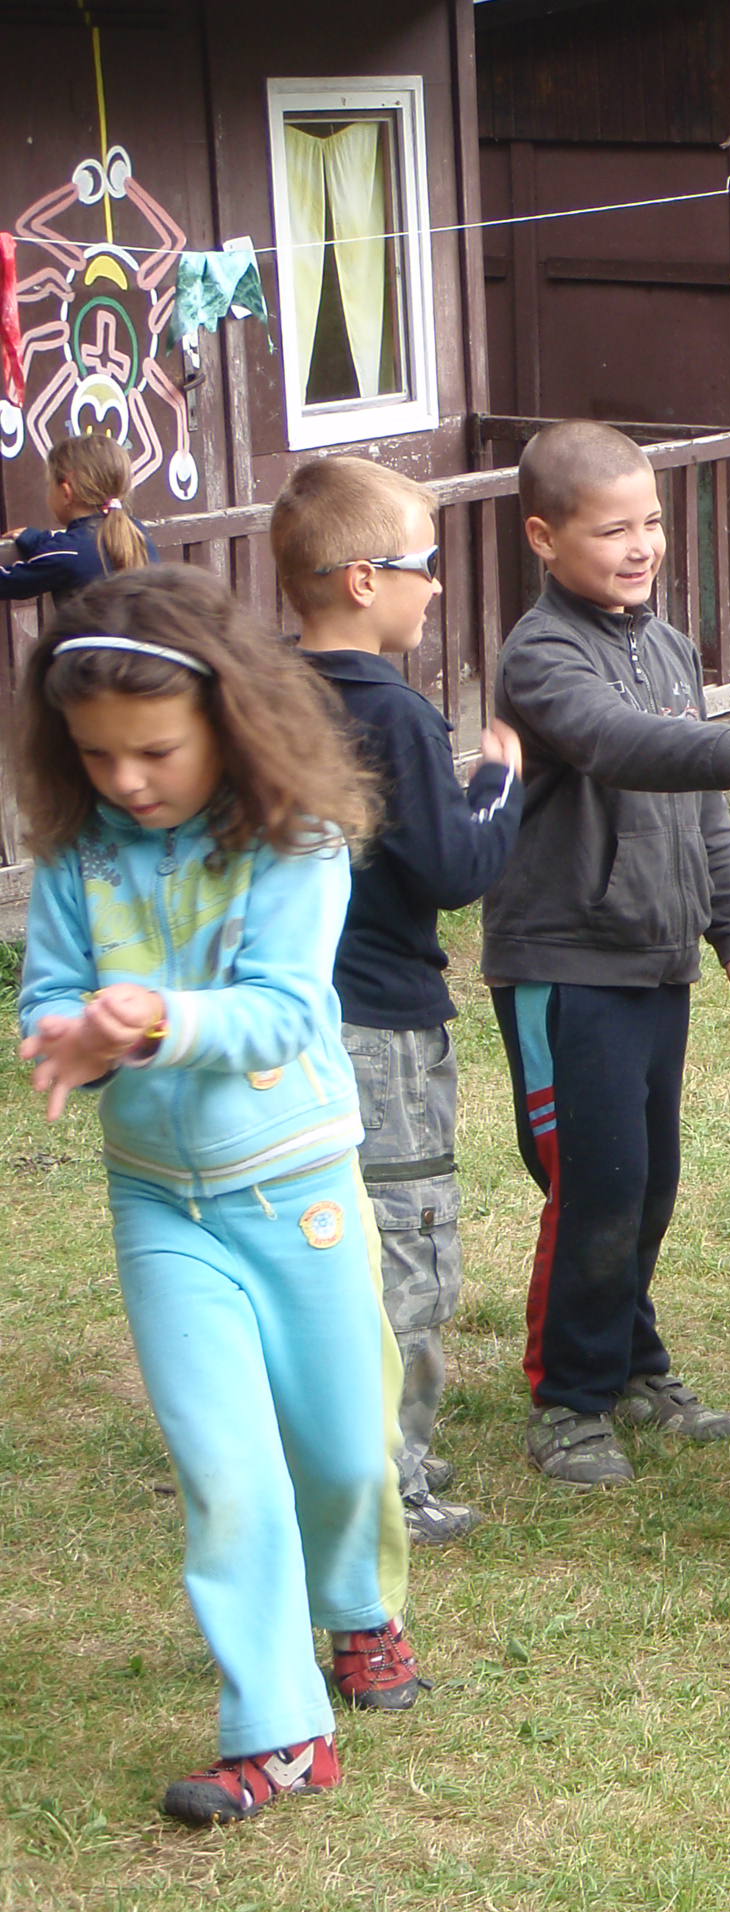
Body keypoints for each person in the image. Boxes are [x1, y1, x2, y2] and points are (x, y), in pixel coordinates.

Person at [14, 567, 421, 1824]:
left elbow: (283, 1013)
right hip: (160, 1210)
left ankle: (359, 1607)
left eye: (154, 751)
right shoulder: (80, 855)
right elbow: (50, 992)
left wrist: (152, 1023)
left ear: (230, 724)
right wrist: (69, 1034)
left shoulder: (295, 841)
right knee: (227, 1472)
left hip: (299, 1192)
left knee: (345, 1450)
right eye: (96, 755)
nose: (126, 781)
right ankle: (281, 1730)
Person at [481, 421, 730, 1488]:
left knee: (649, 1183)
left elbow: (701, 811)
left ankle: (633, 1367)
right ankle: (568, 1401)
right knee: (593, 1183)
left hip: (655, 960)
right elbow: (617, 742)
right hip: (565, 963)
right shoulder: (541, 655)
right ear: (544, 537)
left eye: (653, 523)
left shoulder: (668, 648)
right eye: (612, 530)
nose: (642, 547)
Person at [276, 456, 523, 1545]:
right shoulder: (396, 713)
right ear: (364, 579)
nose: (436, 586)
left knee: (323, 1238)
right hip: (382, 1023)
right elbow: (452, 869)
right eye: (425, 565)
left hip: (291, 1016)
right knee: (407, 1241)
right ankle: (391, 1479)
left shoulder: (268, 696)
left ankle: (339, 1447)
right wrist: (499, 786)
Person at [0, 429, 154, 600]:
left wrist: (34, 540)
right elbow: (77, 546)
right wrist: (34, 539)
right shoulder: (137, 532)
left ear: (66, 493)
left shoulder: (66, 554)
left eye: (49, 484)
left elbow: (7, 582)